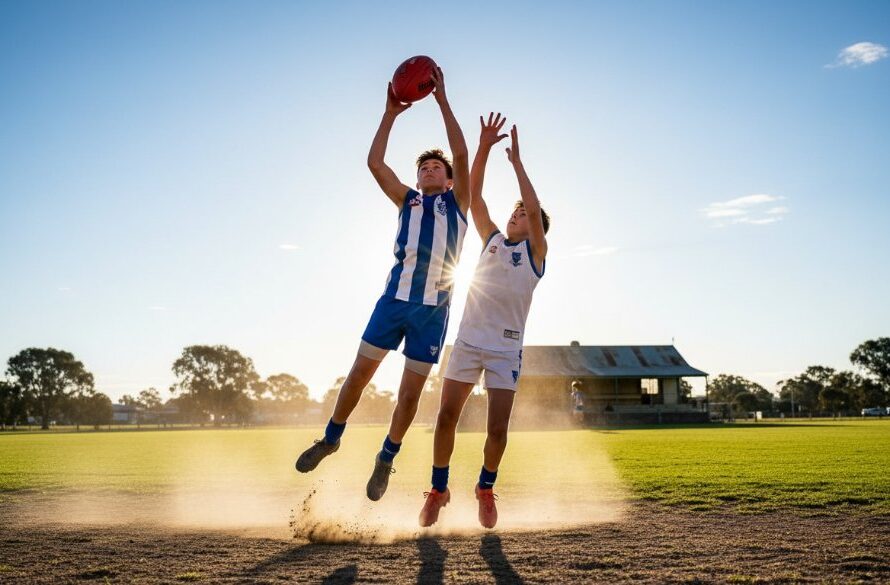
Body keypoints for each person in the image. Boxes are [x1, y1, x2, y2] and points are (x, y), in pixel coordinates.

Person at [295, 67, 470, 502]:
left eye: (436, 167)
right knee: (357, 374)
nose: (429, 170)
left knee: (409, 396)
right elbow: (375, 163)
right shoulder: (406, 199)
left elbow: (462, 156)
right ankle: (331, 438)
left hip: (432, 311)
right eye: (424, 167)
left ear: (447, 180)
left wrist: (443, 100)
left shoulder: (457, 201)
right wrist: (390, 113)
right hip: (393, 302)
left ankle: (386, 457)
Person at [419, 113, 550, 528]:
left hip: (505, 350)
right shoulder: (492, 239)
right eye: (514, 213)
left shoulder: (536, 255)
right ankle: (439, 489)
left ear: (537, 229)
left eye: (524, 215)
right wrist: (484, 148)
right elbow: (473, 196)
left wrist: (516, 164)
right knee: (445, 418)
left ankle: (485, 487)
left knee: (497, 430)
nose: (517, 215)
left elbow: (532, 203)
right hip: (468, 343)